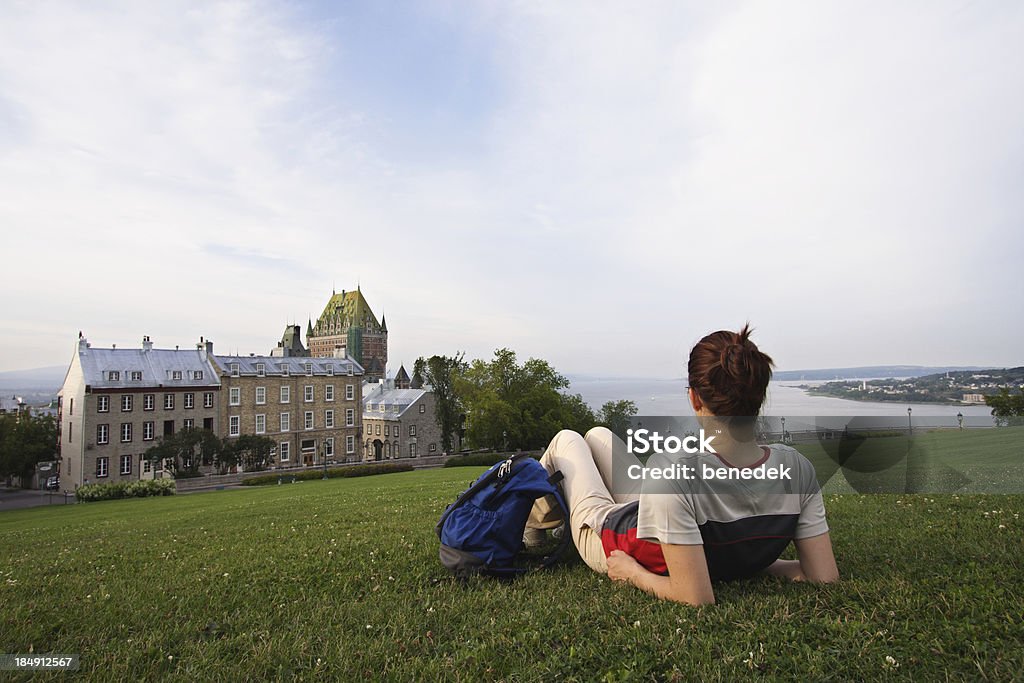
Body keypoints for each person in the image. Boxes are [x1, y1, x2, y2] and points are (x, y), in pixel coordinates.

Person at [528, 325, 838, 605]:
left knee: (567, 440)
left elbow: (695, 596)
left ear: (694, 398)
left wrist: (632, 572)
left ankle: (531, 529)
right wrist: (753, 562)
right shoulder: (797, 469)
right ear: (758, 396)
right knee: (598, 435)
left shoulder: (673, 473)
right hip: (663, 509)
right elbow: (823, 575)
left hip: (613, 537)